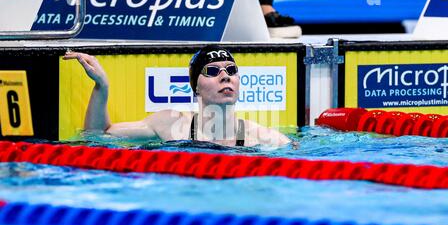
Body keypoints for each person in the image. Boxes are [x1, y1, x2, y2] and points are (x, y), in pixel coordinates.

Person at [63, 45, 291, 148]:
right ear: (196, 88)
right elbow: (97, 136)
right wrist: (102, 86)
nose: (225, 76)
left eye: (231, 70)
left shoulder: (261, 137)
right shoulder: (169, 125)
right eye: (212, 71)